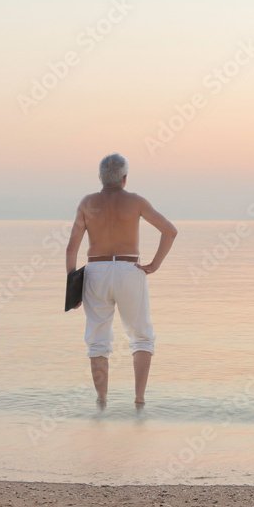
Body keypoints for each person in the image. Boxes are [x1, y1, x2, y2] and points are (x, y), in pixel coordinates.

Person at [66, 153, 177, 409]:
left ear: (100, 178)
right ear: (124, 179)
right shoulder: (136, 202)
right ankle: (139, 401)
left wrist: (73, 289)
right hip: (129, 269)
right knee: (141, 337)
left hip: (96, 270)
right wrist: (153, 265)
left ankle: (102, 403)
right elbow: (170, 231)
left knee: (98, 341)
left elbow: (71, 249)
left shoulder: (87, 203)